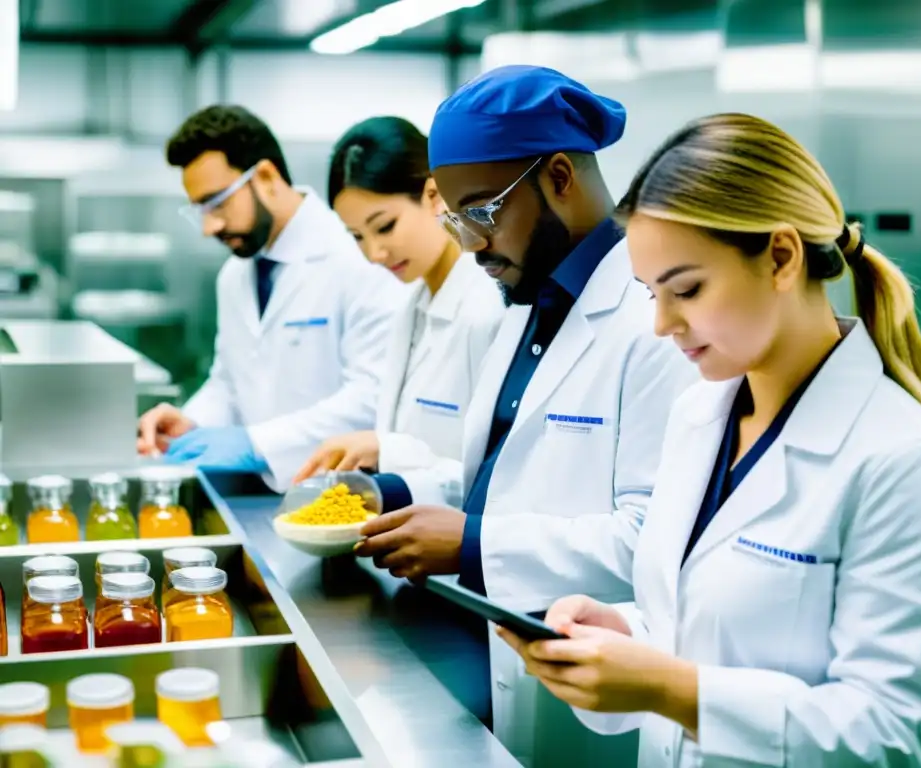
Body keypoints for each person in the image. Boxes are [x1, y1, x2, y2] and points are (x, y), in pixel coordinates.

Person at [498, 113, 921, 767]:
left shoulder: (908, 466)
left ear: (782, 258)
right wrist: (628, 634)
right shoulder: (699, 416)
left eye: (686, 290)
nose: (661, 325)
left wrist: (668, 687)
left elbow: (900, 737)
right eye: (650, 294)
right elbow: (703, 626)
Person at [353, 66, 697, 765]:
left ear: (560, 177)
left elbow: (656, 544)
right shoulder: (521, 306)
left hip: (606, 686)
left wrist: (475, 543)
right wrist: (397, 494)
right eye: (455, 220)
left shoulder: (653, 320)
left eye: (480, 212)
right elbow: (506, 481)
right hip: (513, 647)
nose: (470, 244)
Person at [137, 105, 407, 489]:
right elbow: (229, 382)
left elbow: (373, 398)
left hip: (349, 497)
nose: (209, 226)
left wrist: (256, 443)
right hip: (268, 493)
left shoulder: (358, 255)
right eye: (199, 210)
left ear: (264, 176)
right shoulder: (235, 274)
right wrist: (193, 423)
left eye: (218, 203)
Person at [292, 116, 504, 485]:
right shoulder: (411, 306)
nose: (374, 252)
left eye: (385, 226)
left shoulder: (490, 306)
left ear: (434, 196)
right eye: (357, 236)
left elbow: (500, 475)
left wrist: (387, 452)